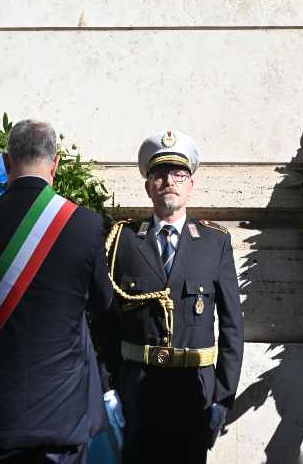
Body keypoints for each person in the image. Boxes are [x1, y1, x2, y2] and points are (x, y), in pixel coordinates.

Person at [0, 120, 113, 464]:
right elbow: (104, 302)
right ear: (56, 163)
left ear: (7, 162)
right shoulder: (85, 224)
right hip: (62, 418)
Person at [97, 130, 244, 464]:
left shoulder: (213, 242)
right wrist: (108, 389)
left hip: (195, 393)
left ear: (190, 185)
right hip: (136, 390)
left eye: (179, 175)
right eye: (160, 174)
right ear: (149, 185)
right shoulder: (124, 241)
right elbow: (106, 321)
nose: (169, 182)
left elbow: (233, 327)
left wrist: (223, 397)